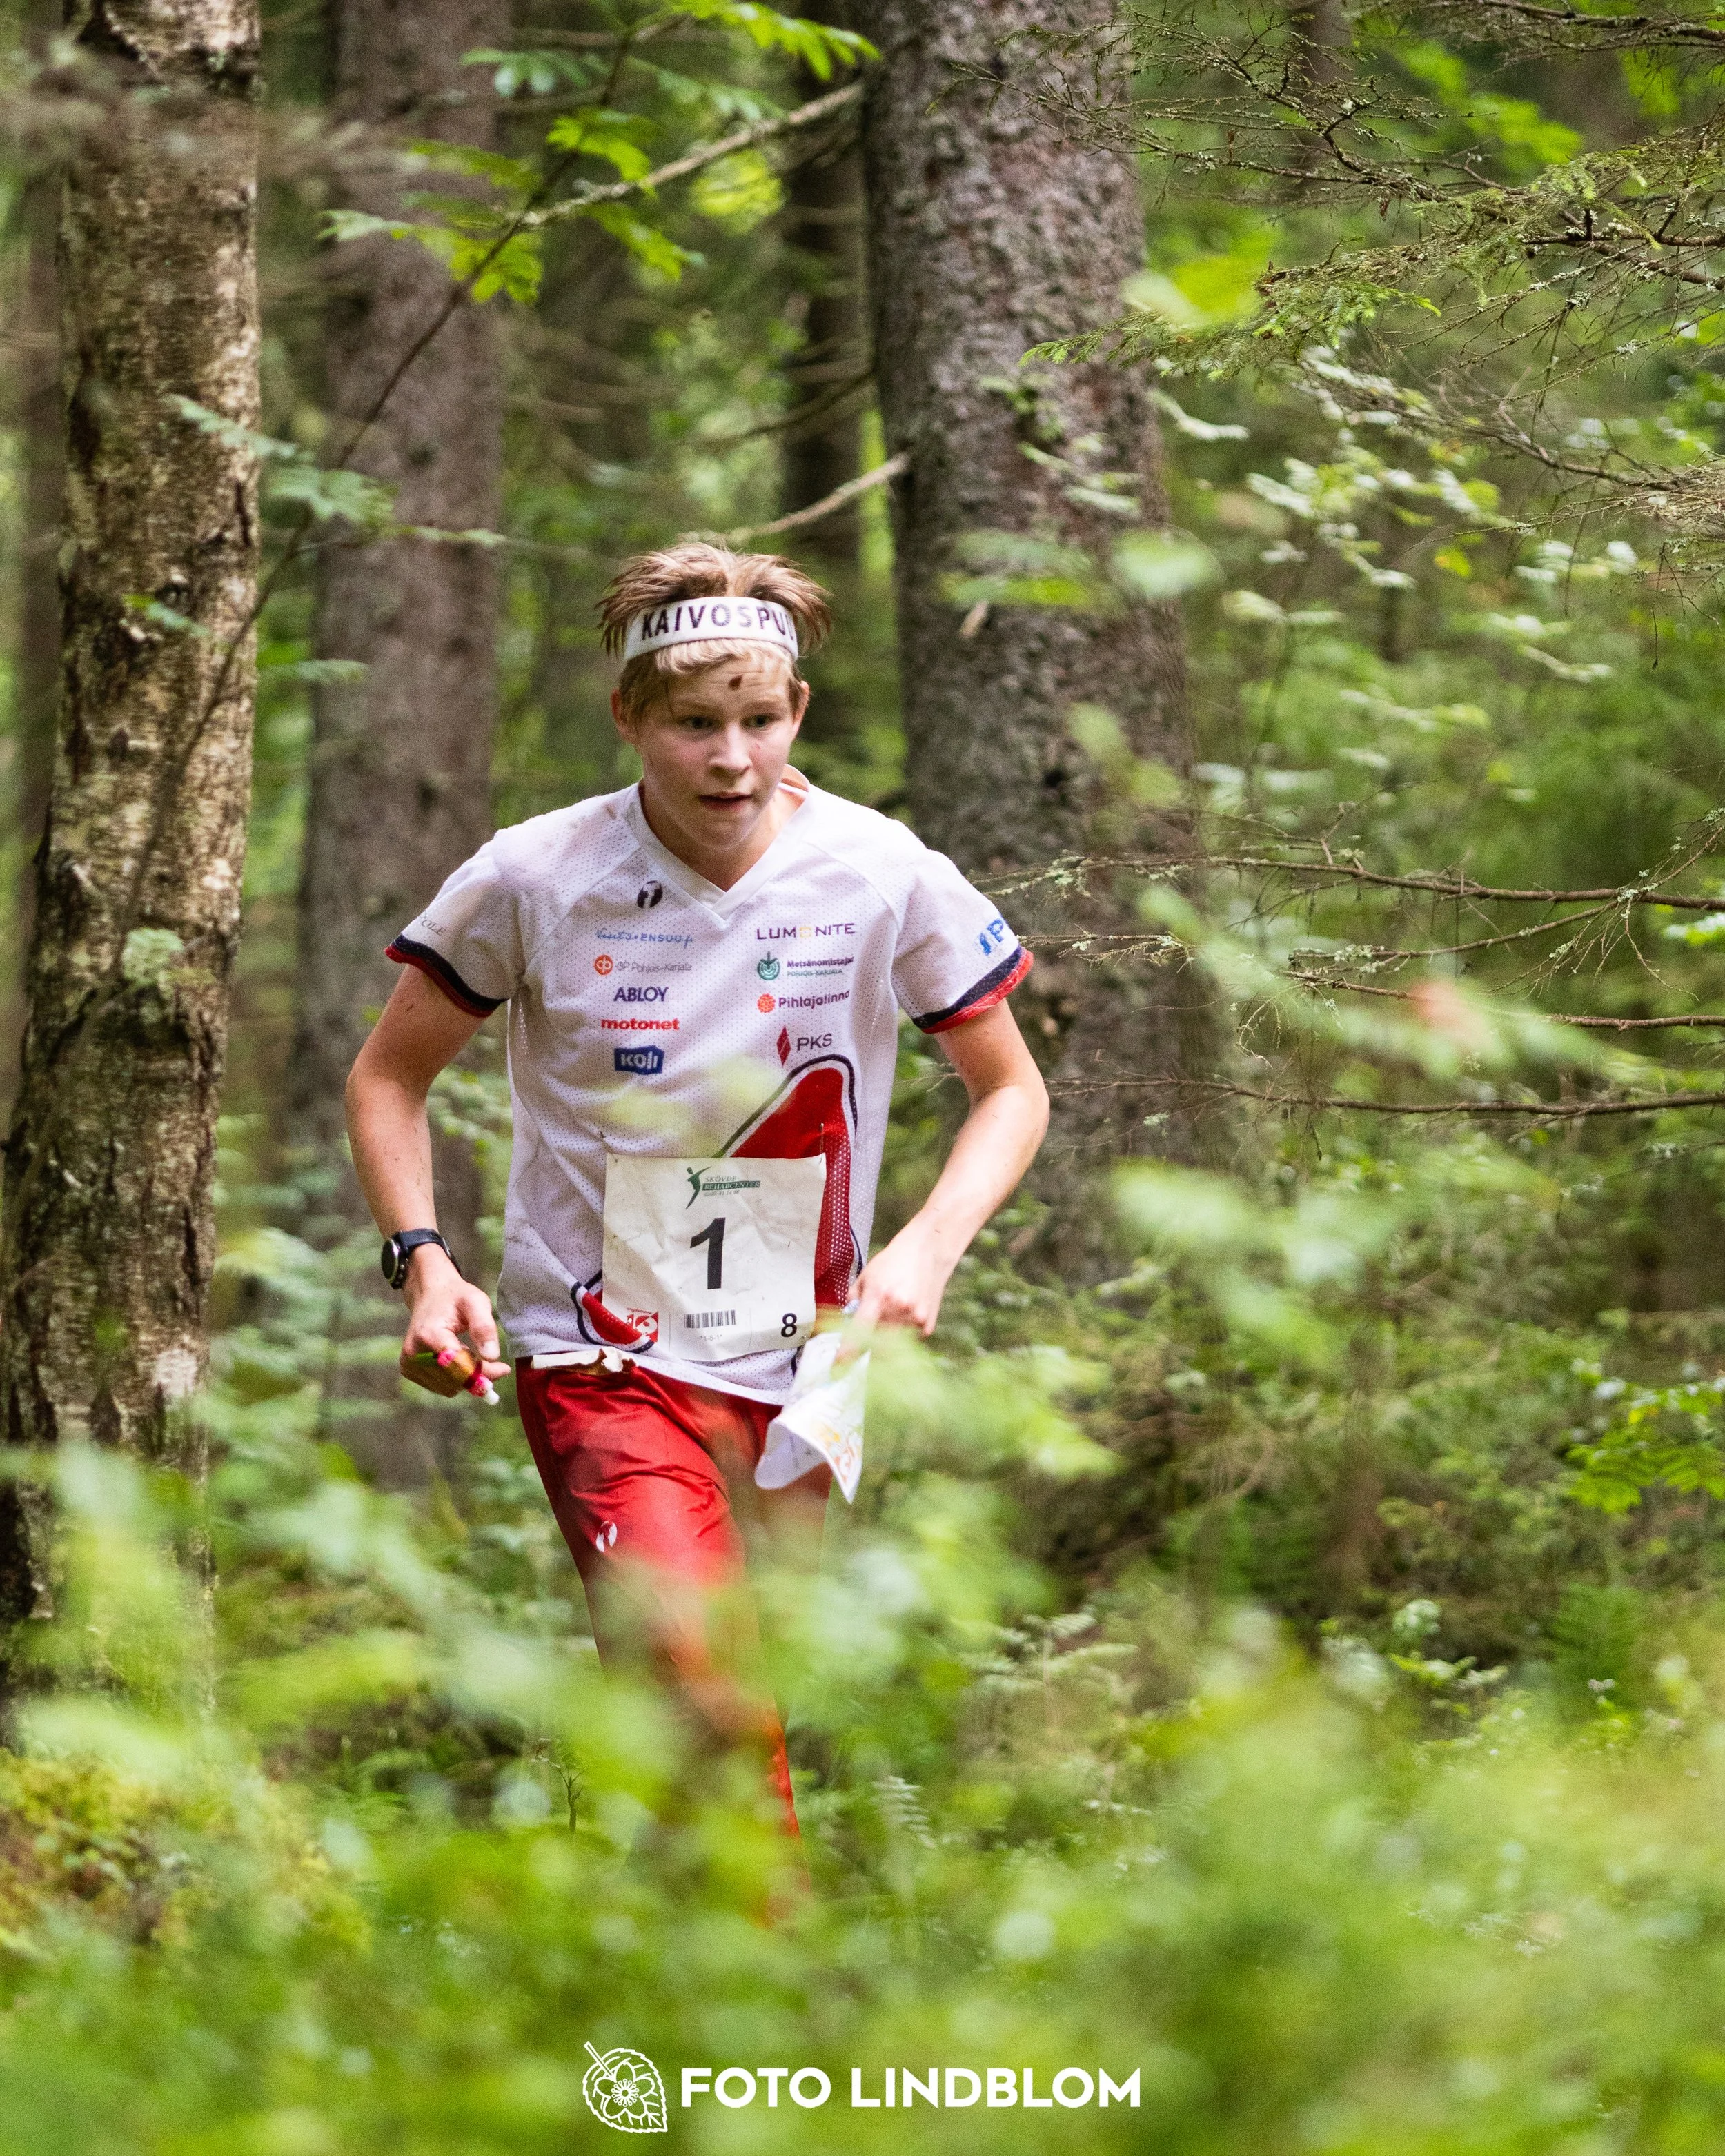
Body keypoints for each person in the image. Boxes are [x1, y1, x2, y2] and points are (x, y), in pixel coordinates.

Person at [346, 542, 1048, 1835]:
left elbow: (1012, 1091)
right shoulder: (535, 874)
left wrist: (925, 1251)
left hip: (804, 1360)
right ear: (629, 715)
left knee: (729, 1701)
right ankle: (782, 1957)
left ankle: (676, 1950)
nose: (733, 760)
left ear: (798, 712)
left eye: (760, 722)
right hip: (601, 1350)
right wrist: (425, 1262)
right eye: (694, 726)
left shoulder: (880, 868)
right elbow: (388, 1077)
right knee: (699, 1683)